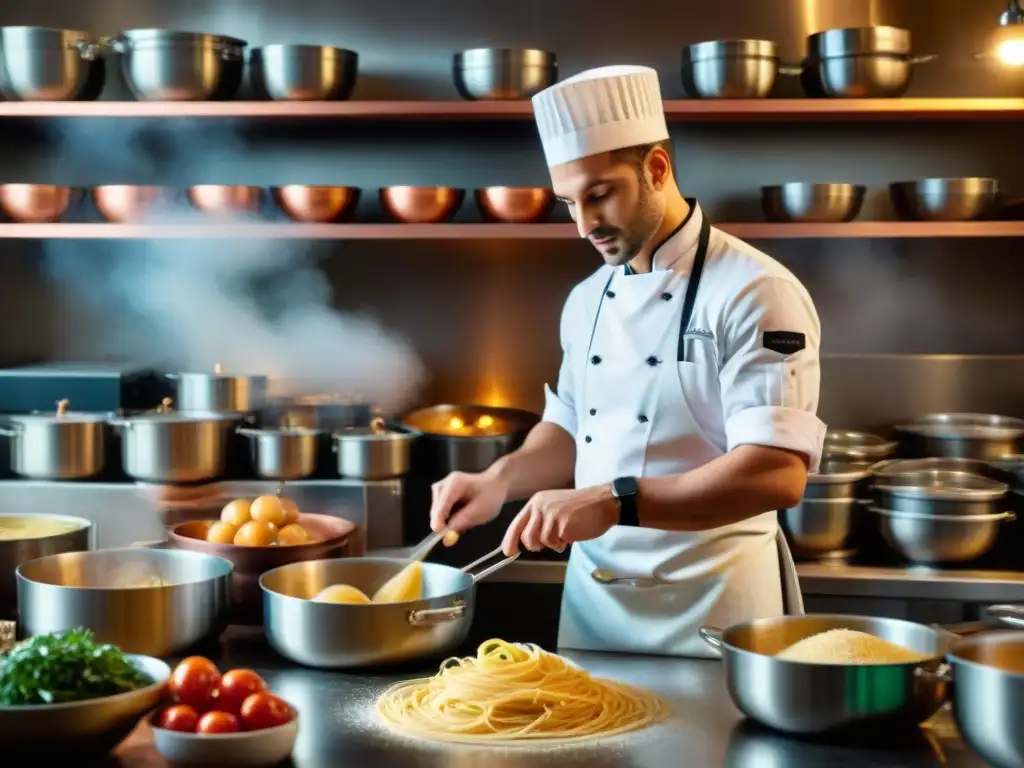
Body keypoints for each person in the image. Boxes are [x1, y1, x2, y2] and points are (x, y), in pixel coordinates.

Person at [429, 64, 827, 657]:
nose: (585, 224)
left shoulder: (755, 291)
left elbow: (776, 473)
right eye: (569, 202)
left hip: (713, 610)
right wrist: (498, 481)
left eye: (600, 193)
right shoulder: (587, 298)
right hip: (596, 611)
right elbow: (569, 428)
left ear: (656, 169)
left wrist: (613, 499)